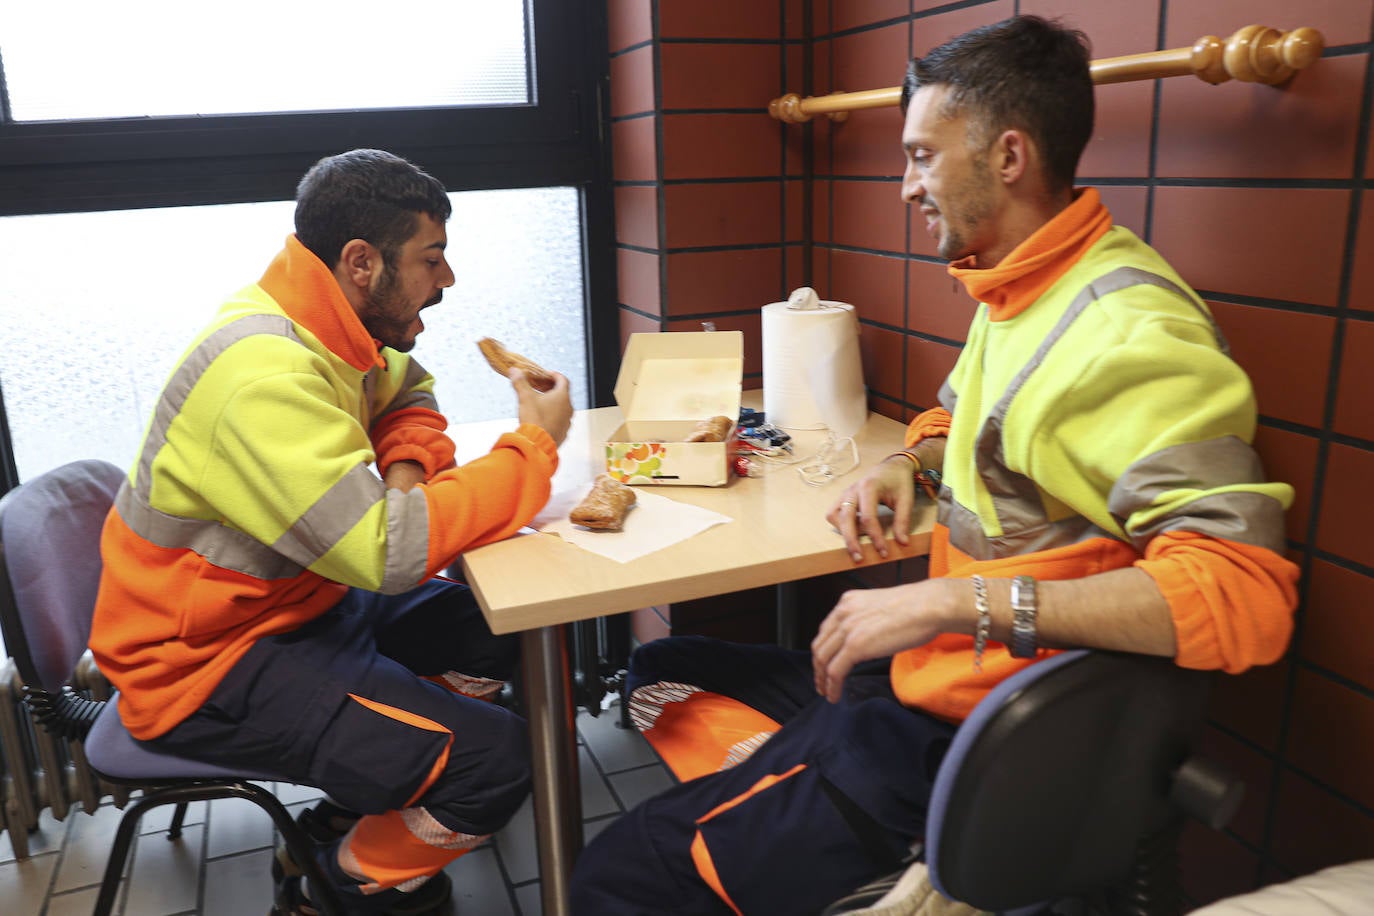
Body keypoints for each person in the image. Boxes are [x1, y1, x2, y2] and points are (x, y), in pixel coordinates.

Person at [571, 15, 1300, 916]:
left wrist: (954, 598)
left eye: (920, 155)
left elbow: (1244, 599)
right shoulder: (1017, 285)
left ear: (1008, 156)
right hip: (917, 671)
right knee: (659, 670)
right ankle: (781, 801)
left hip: (958, 738)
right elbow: (957, 418)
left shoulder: (1125, 337)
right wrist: (910, 467)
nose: (904, 183)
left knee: (612, 881)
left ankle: (848, 840)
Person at [89, 148, 574, 915]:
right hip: (207, 666)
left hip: (295, 609)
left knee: (490, 632)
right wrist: (533, 448)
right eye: (432, 258)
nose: (446, 281)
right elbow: (394, 551)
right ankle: (336, 881)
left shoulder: (333, 327)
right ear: (360, 262)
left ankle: (365, 797)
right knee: (500, 761)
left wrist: (409, 475)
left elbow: (407, 390)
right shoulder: (263, 377)